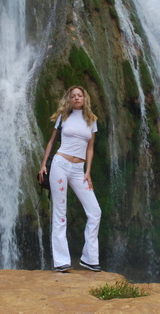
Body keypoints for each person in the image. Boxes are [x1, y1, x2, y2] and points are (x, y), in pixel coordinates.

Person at [38, 85, 102, 272]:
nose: (76, 98)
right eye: (73, 96)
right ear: (69, 99)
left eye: (79, 95)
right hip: (60, 164)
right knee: (60, 213)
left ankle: (89, 258)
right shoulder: (63, 117)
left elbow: (90, 149)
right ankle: (61, 261)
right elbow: (52, 141)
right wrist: (43, 165)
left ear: (84, 98)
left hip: (78, 169)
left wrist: (87, 172)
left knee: (95, 211)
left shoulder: (92, 120)